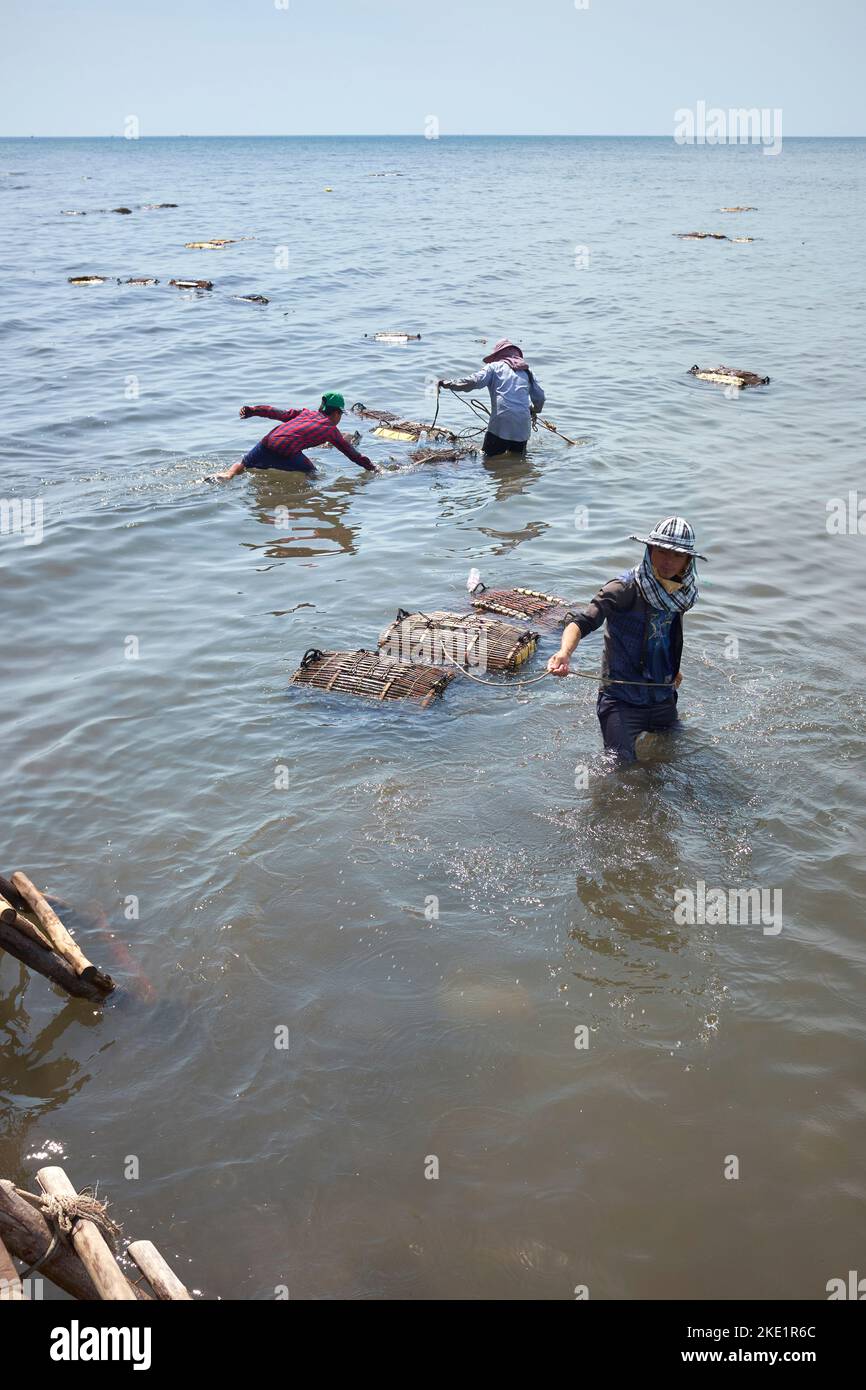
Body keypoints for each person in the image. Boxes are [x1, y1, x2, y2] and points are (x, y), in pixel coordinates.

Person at [547, 517, 707, 763]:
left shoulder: (681, 593)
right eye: (662, 552)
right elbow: (581, 622)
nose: (668, 561)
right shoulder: (623, 588)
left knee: (674, 759)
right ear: (650, 550)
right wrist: (564, 653)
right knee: (622, 769)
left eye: (677, 556)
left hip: (662, 694)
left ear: (687, 561)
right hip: (620, 699)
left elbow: (670, 632)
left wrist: (673, 667)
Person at [212, 392, 377, 480]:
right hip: (287, 450)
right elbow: (352, 453)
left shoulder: (305, 413)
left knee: (242, 464)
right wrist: (372, 468)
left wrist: (253, 411)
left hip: (267, 442)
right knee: (312, 473)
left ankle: (228, 475)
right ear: (335, 413)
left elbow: (277, 412)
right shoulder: (331, 430)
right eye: (340, 414)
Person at [438, 339, 545, 457]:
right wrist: (534, 410)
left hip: (501, 424)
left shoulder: (494, 367)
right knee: (518, 461)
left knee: (488, 459)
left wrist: (448, 384)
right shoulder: (528, 372)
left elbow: (473, 382)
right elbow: (540, 398)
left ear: (498, 355)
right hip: (522, 426)